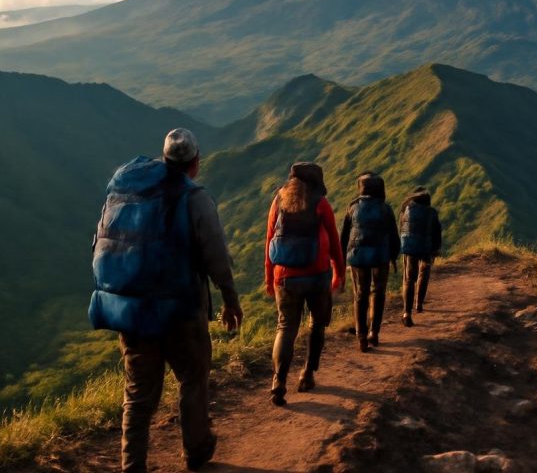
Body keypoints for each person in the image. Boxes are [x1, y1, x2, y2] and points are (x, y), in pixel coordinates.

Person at [89, 128, 243, 473]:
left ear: (164, 157)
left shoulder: (130, 190)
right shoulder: (194, 197)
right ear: (196, 162)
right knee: (192, 377)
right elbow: (215, 254)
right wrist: (230, 299)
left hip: (132, 311)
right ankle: (196, 450)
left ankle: (133, 466)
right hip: (180, 311)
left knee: (139, 394)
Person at [264, 162, 345, 406]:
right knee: (316, 325)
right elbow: (334, 241)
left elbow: (269, 240)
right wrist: (339, 273)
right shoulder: (321, 203)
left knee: (285, 327)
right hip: (317, 275)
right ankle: (308, 374)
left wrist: (269, 278)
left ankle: (278, 381)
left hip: (285, 277)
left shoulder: (279, 200)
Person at [340, 172, 400, 352]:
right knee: (378, 293)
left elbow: (344, 236)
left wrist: (341, 259)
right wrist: (393, 256)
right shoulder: (385, 209)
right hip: (380, 255)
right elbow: (394, 236)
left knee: (360, 295)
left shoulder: (352, 208)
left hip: (357, 256)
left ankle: (361, 337)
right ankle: (374, 332)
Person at [399, 186, 442, 326]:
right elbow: (437, 233)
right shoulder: (432, 213)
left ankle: (406, 312)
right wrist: (435, 249)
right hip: (425, 248)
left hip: (409, 247)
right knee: (424, 272)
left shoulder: (405, 210)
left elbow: (401, 229)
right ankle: (419, 304)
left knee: (409, 279)